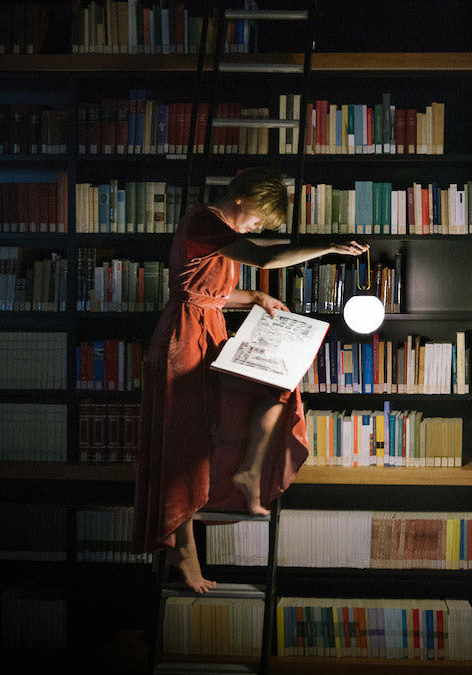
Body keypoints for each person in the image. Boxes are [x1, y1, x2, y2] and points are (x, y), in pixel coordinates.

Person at [133, 168, 367, 593]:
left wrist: (256, 297)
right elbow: (263, 258)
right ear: (242, 200)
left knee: (278, 390)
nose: (258, 227)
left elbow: (208, 291)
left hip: (209, 329)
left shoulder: (218, 232)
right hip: (184, 338)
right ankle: (184, 551)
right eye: (259, 218)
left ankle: (248, 471)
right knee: (184, 444)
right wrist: (328, 246)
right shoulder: (205, 220)